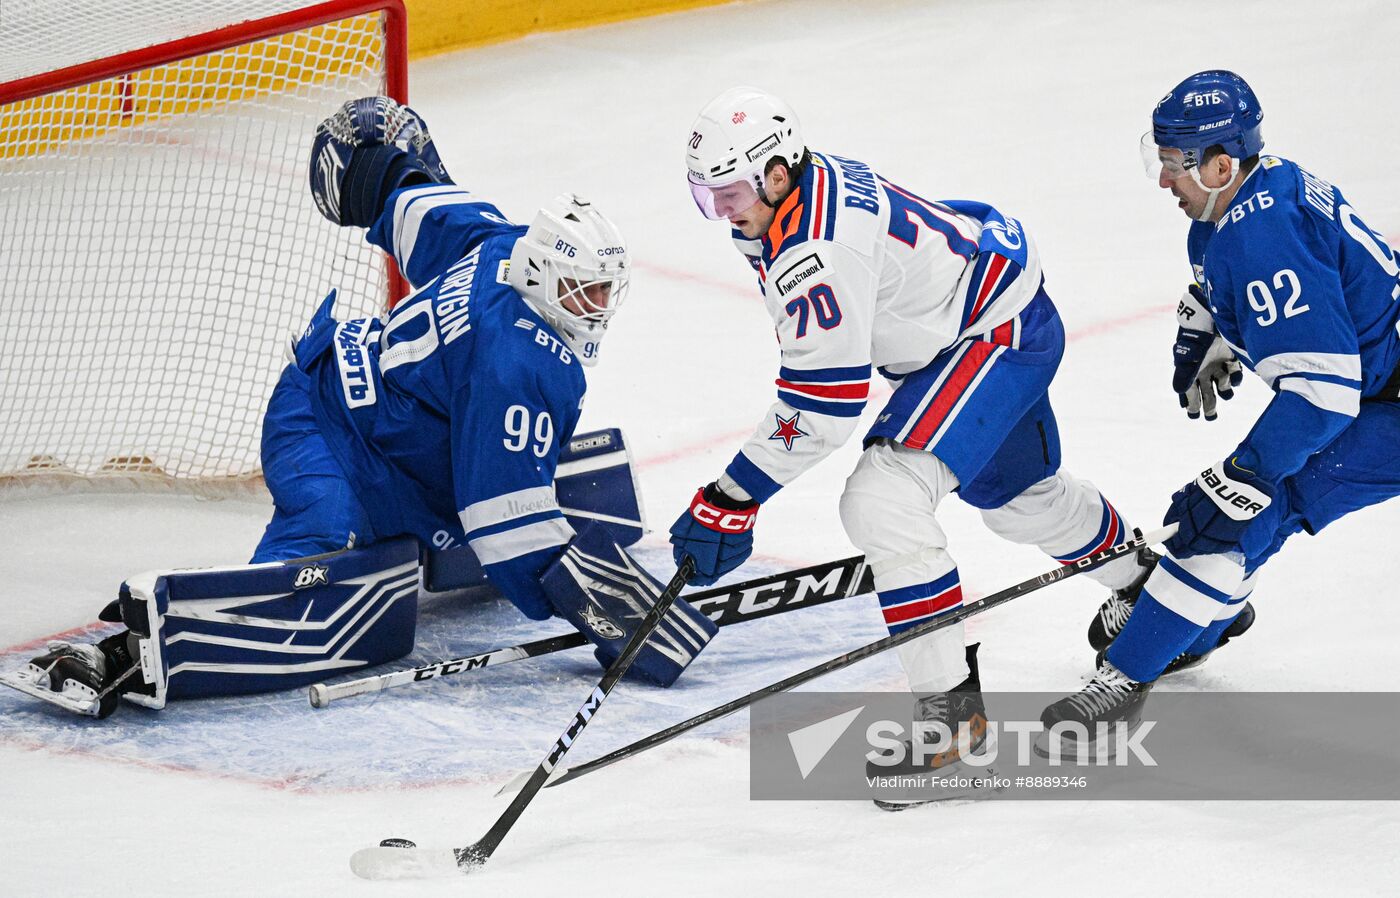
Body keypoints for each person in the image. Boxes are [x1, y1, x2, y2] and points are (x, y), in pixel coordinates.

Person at [6, 97, 715, 718]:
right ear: (543, 272)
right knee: (329, 537)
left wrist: (376, 165)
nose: (598, 308)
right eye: (584, 291)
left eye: (603, 290)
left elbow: (416, 199)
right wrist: (610, 615)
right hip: (322, 426)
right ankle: (129, 651)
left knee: (478, 485)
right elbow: (505, 530)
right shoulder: (518, 363)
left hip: (398, 441)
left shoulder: (501, 243)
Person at [667, 86, 1155, 803]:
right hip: (979, 321)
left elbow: (824, 403)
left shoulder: (813, 247)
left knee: (882, 498)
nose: (724, 212)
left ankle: (952, 720)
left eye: (732, 192)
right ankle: (1159, 595)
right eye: (707, 198)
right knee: (1021, 503)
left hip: (991, 337)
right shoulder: (789, 196)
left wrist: (732, 498)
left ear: (777, 172)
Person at [1041, 70, 1400, 743]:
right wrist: (1208, 321)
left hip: (1384, 405)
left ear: (1220, 164)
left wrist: (1246, 471)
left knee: (1236, 513)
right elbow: (1250, 273)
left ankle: (1127, 675)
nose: (1162, 179)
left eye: (1174, 164)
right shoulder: (1251, 198)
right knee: (1242, 509)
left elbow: (1324, 396)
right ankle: (1202, 619)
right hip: (1380, 385)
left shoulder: (1260, 238)